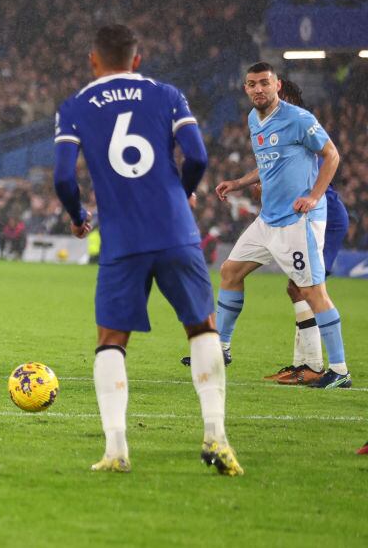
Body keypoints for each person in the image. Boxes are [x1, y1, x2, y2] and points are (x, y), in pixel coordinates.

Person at [54, 24, 241, 475]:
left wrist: (79, 218)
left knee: (111, 341)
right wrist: (184, 191)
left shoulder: (75, 105)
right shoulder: (167, 94)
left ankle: (116, 449)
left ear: (93, 61)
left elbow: (63, 179)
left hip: (122, 239)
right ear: (137, 60)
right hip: (176, 231)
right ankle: (216, 435)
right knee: (202, 329)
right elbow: (196, 155)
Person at [209, 63, 350, 389]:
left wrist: (314, 197)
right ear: (245, 89)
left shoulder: (299, 118)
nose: (258, 89)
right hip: (268, 219)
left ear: (277, 85)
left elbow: (332, 156)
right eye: (252, 84)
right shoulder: (253, 120)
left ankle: (340, 370)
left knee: (313, 292)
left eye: (264, 83)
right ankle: (222, 347)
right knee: (230, 271)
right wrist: (239, 183)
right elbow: (266, 164)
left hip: (297, 222)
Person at [259, 79, 350, 385]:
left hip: (323, 213)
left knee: (306, 289)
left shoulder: (298, 124)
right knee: (295, 288)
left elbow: (329, 158)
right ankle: (303, 365)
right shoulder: (279, 129)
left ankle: (317, 367)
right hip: (306, 211)